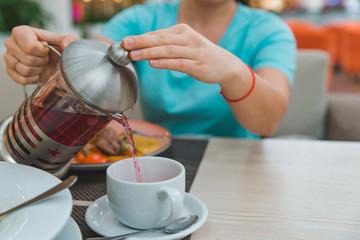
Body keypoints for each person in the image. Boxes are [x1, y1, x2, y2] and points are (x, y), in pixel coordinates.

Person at [3, 0, 296, 138]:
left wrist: (232, 70)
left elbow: (267, 123)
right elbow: (97, 57)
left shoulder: (268, 29)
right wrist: (62, 71)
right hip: (157, 159)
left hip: (238, 167)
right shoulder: (143, 17)